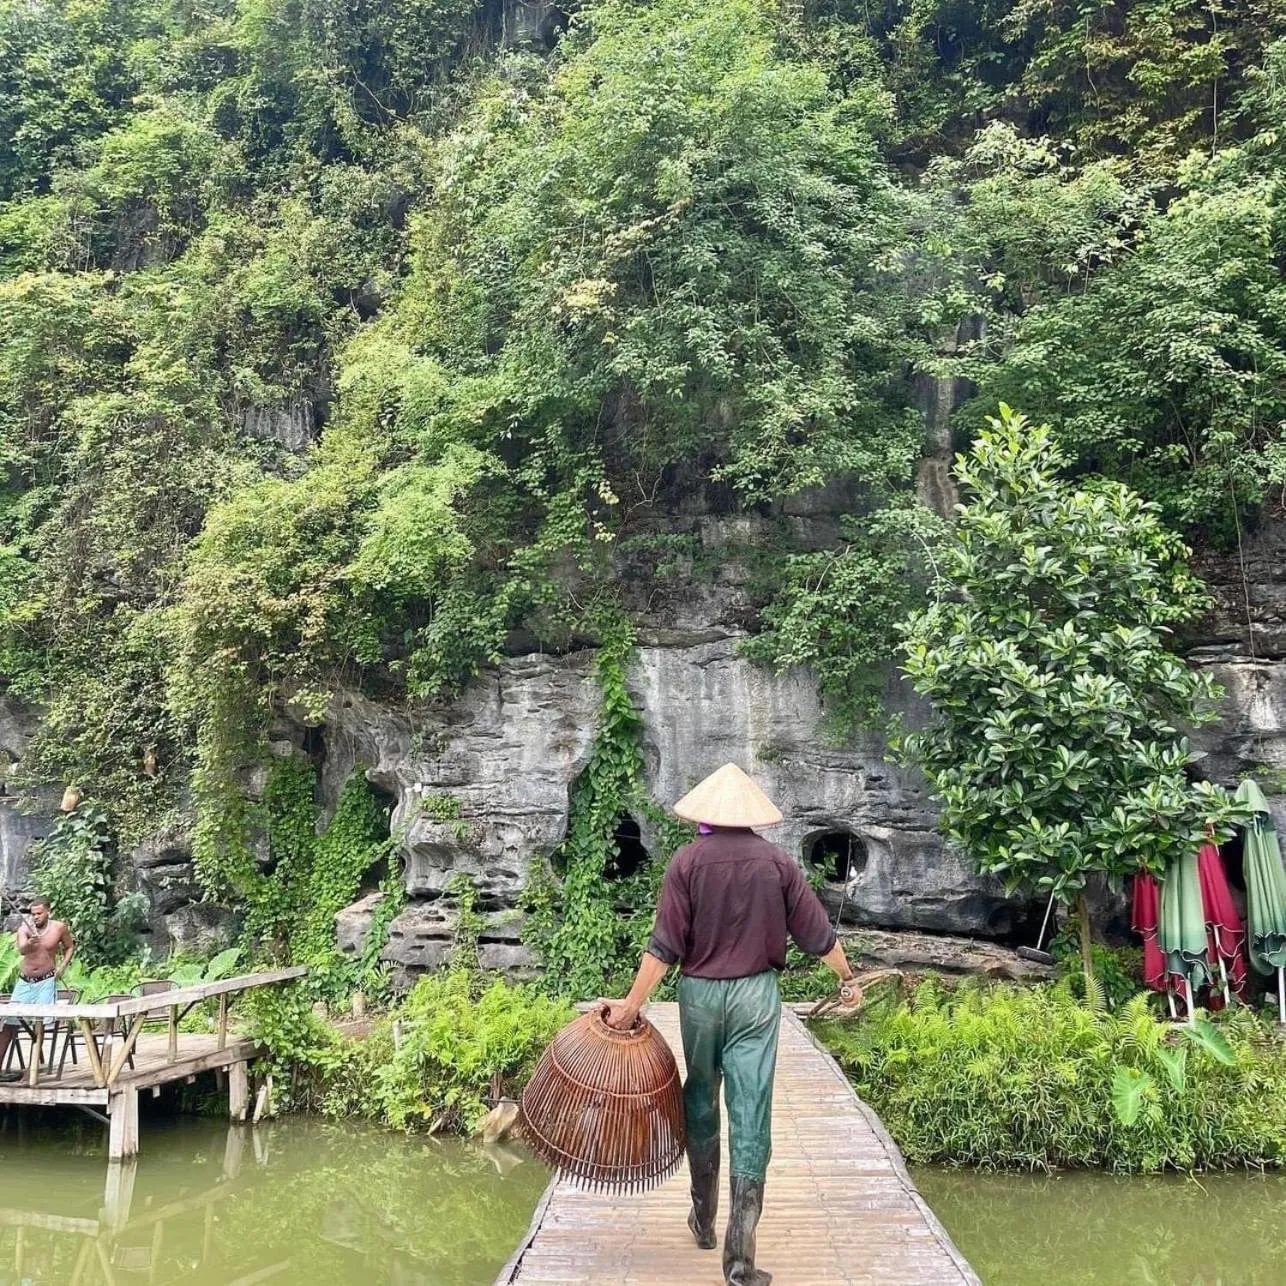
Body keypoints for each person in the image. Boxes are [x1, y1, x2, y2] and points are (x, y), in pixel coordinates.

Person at [603, 764, 863, 1286]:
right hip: (755, 998)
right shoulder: (778, 864)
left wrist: (631, 1005)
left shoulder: (686, 862)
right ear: (752, 817)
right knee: (751, 1111)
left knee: (700, 1097)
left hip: (698, 996)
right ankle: (740, 1263)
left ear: (707, 815)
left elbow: (664, 946)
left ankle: (702, 1220)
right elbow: (817, 935)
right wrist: (847, 979)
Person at [0, 896, 75, 1082]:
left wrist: (62, 966)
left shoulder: (59, 928)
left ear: (48, 911)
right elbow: (22, 950)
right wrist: (29, 943)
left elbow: (69, 947)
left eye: (39, 913)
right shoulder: (25, 928)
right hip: (24, 982)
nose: (35, 917)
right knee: (9, 1024)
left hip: (46, 981)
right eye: (33, 914)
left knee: (39, 1024)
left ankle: (31, 1071)